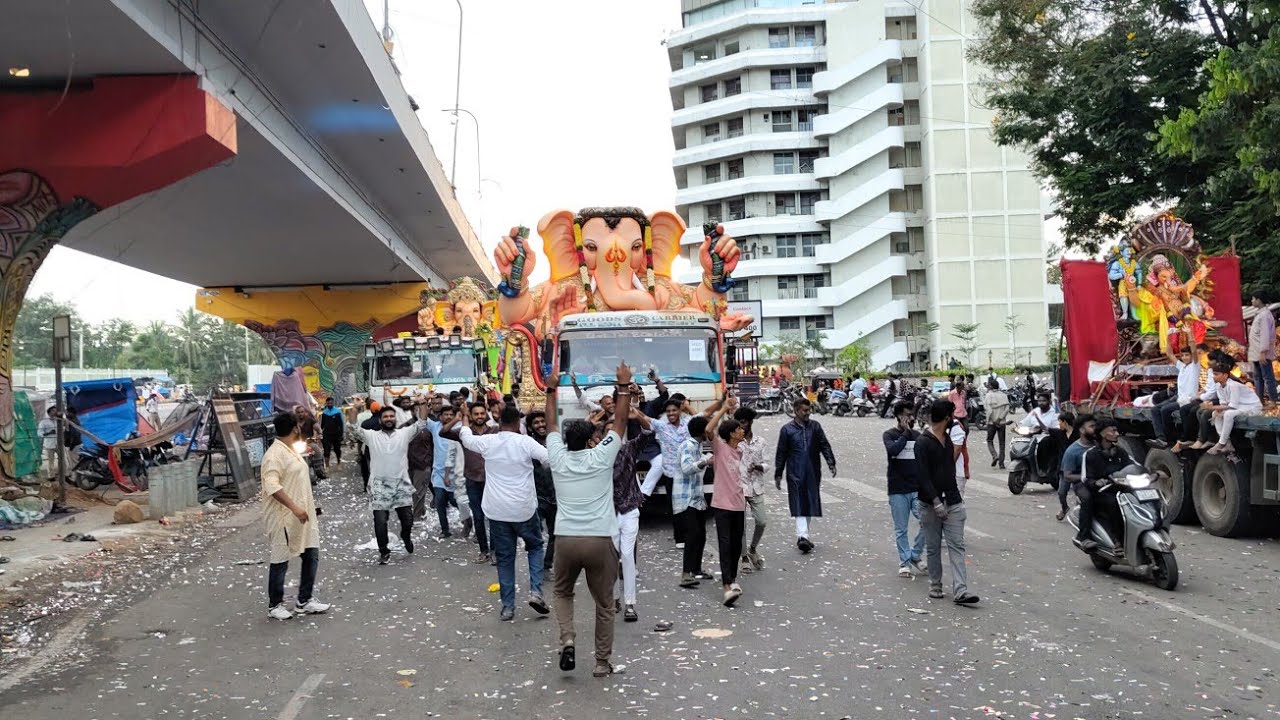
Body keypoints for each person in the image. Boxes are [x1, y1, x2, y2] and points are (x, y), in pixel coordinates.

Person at [546, 363, 632, 678]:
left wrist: (551, 389)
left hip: (566, 539)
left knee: (562, 592)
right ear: (590, 439)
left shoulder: (557, 456)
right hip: (599, 539)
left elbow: (550, 424)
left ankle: (568, 639)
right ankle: (601, 662)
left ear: (566, 440)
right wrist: (623, 386)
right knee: (605, 604)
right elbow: (620, 422)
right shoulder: (601, 455)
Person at [458, 404, 550, 621]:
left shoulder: (489, 441)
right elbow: (549, 459)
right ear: (518, 423)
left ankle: (508, 607)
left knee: (505, 558)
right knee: (535, 547)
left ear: (499, 422)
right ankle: (536, 592)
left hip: (497, 511)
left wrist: (465, 418)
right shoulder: (526, 442)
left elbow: (466, 439)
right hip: (524, 509)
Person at [260, 411, 328, 620]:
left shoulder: (290, 449)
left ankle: (304, 600)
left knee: (311, 554)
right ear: (295, 428)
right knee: (280, 558)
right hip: (283, 516)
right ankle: (275, 605)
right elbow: (272, 486)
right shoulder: (274, 455)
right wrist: (294, 508)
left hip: (303, 514)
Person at [915, 399, 979, 605]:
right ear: (946, 417)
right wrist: (936, 501)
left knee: (957, 546)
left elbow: (948, 471)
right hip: (930, 504)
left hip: (953, 501)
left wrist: (953, 499)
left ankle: (961, 590)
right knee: (933, 547)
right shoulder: (923, 442)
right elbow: (922, 476)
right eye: (952, 415)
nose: (954, 419)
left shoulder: (948, 440)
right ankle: (935, 585)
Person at [359, 402, 430, 565]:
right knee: (380, 521)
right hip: (379, 486)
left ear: (395, 419)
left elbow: (421, 423)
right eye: (386, 416)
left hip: (401, 485)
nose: (389, 418)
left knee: (407, 520)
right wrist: (354, 410)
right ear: (380, 420)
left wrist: (423, 404)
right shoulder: (372, 436)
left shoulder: (404, 434)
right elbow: (353, 430)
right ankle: (384, 551)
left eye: (391, 416)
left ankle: (406, 536)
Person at [775, 398, 836, 554]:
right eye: (804, 410)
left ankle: (804, 536)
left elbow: (824, 445)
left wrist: (831, 463)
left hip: (813, 471)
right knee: (799, 502)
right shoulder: (787, 430)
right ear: (796, 411)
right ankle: (802, 535)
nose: (808, 413)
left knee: (808, 501)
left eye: (809, 410)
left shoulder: (815, 427)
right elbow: (781, 453)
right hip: (794, 472)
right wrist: (778, 473)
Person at [610, 397, 653, 622]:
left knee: (627, 555)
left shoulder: (628, 449)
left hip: (629, 510)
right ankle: (614, 598)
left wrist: (640, 418)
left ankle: (629, 603)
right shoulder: (597, 455)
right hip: (608, 514)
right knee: (611, 558)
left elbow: (649, 434)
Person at [708, 397, 748, 606]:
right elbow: (709, 429)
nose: (743, 431)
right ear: (732, 433)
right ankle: (727, 585)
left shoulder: (739, 451)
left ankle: (732, 579)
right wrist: (723, 409)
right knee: (725, 544)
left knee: (736, 545)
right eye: (739, 429)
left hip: (739, 504)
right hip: (722, 505)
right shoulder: (720, 448)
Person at [442, 403, 493, 564]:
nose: (479, 416)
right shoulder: (464, 432)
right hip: (472, 480)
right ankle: (484, 551)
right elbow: (443, 432)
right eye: (476, 414)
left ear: (486, 414)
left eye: (482, 413)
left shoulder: (494, 431)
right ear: (471, 415)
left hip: (492, 481)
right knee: (478, 516)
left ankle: (495, 551)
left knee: (494, 517)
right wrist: (459, 417)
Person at [1076, 421, 1135, 551]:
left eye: (1116, 430)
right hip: (1100, 491)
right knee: (1113, 503)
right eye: (1112, 430)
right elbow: (1085, 478)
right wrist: (1097, 482)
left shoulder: (1120, 452)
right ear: (1102, 434)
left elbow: (1133, 466)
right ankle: (1086, 537)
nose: (1117, 433)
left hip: (1119, 488)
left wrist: (1151, 473)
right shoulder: (1090, 454)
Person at [883, 402, 926, 578]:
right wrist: (906, 433)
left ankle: (915, 554)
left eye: (912, 414)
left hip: (917, 488)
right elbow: (893, 450)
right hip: (897, 489)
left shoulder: (918, 436)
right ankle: (904, 562)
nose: (911, 418)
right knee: (901, 529)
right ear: (899, 417)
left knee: (927, 522)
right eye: (908, 415)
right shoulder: (889, 435)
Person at [734, 406, 769, 574]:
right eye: (739, 423)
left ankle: (752, 549)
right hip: (738, 488)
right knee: (740, 526)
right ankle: (744, 558)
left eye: (744, 422)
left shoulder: (760, 442)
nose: (741, 426)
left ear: (750, 422)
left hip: (756, 487)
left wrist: (758, 466)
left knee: (761, 521)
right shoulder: (734, 442)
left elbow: (767, 463)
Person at [1151, 344, 1205, 449]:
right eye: (1183, 355)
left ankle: (1170, 438)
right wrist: (1168, 338)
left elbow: (1194, 352)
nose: (1184, 357)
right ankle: (1161, 438)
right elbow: (1169, 354)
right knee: (1155, 409)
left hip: (1187, 400)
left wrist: (1190, 337)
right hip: (1178, 397)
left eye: (1187, 355)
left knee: (1165, 410)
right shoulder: (1182, 366)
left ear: (1191, 355)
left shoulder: (1195, 366)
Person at [1203, 362, 1263, 454]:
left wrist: (1213, 407)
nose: (1213, 376)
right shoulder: (1218, 386)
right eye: (1213, 374)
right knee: (1215, 414)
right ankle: (1227, 443)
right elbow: (1223, 403)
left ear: (1225, 375)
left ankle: (1221, 443)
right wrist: (1216, 409)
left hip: (1251, 406)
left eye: (1216, 374)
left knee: (1228, 414)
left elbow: (1232, 406)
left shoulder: (1233, 385)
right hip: (1239, 406)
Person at [527, 410, 556, 571]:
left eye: (542, 421)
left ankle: (546, 564)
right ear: (531, 427)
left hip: (556, 496)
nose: (540, 425)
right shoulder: (529, 445)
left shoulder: (556, 442)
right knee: (535, 533)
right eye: (536, 423)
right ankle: (536, 565)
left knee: (555, 534)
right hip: (537, 496)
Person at [1057, 414, 1095, 522]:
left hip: (1090, 476)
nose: (1095, 429)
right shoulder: (1072, 450)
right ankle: (1064, 508)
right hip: (1070, 469)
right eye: (1091, 426)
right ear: (1081, 430)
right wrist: (1086, 476)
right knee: (1061, 492)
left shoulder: (1098, 445)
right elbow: (1068, 476)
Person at [1249, 290, 1277, 402]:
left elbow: (1265, 335)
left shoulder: (1265, 315)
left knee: (1267, 377)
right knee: (1258, 377)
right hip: (1257, 352)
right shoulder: (1260, 314)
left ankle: (1273, 400)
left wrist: (1263, 352)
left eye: (1253, 298)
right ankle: (1258, 400)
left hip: (1262, 353)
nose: (1252, 301)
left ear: (1259, 300)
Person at [984, 379, 1010, 468]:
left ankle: (994, 455)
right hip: (1001, 422)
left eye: (989, 385)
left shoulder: (989, 395)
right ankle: (1001, 463)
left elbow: (989, 410)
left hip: (992, 422)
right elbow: (1007, 409)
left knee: (989, 440)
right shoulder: (1004, 395)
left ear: (991, 386)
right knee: (1002, 443)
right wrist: (999, 419)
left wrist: (993, 420)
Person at [38, 407, 63, 482]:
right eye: (53, 411)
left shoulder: (58, 421)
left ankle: (63, 474)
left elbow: (63, 429)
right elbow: (39, 433)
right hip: (49, 444)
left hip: (59, 443)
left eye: (56, 410)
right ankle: (51, 476)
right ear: (49, 413)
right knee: (50, 461)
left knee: (63, 459)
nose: (55, 412)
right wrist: (49, 433)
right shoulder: (44, 422)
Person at [319, 397, 345, 468]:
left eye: (331, 403)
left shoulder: (338, 412)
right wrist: (320, 434)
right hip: (327, 434)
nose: (329, 404)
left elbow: (341, 424)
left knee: (337, 449)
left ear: (333, 403)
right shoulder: (324, 413)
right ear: (326, 403)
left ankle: (339, 463)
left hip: (336, 434)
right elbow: (322, 425)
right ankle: (327, 466)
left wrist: (342, 434)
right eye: (328, 403)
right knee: (326, 450)